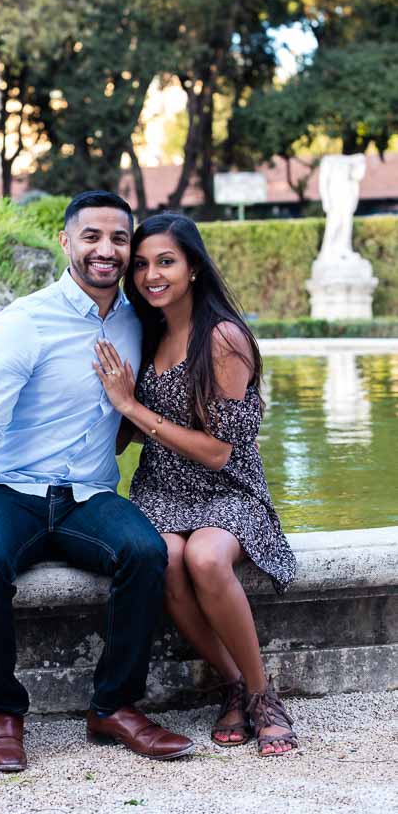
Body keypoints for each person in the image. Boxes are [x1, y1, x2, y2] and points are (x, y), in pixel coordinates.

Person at [0, 191, 194, 772]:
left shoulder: (139, 323)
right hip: (14, 491)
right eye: (92, 237)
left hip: (91, 496)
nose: (106, 250)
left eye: (119, 239)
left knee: (145, 551)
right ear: (66, 242)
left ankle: (114, 706)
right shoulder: (23, 322)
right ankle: (1, 714)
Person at [94, 213, 298, 758]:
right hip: (161, 490)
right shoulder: (144, 332)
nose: (150, 275)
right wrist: (114, 404)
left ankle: (262, 695)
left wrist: (131, 405)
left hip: (228, 489)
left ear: (192, 268)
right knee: (160, 556)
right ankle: (231, 682)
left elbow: (218, 451)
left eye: (165, 262)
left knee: (206, 558)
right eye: (141, 265)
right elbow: (122, 440)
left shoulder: (223, 338)